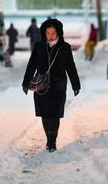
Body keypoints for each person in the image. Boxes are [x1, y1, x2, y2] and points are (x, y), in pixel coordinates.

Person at [22, 19, 81, 152]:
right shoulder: (39, 46)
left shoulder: (65, 47)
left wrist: (75, 84)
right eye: (48, 33)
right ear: (44, 33)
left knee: (54, 113)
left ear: (59, 32)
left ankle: (52, 141)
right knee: (45, 113)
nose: (51, 36)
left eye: (53, 33)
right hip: (42, 85)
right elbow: (31, 65)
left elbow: (71, 67)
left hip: (58, 85)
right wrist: (26, 82)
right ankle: (49, 138)